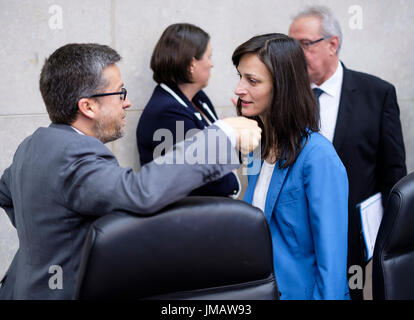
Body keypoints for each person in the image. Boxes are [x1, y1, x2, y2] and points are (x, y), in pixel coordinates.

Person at [0, 43, 261, 299]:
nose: (128, 102)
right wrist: (224, 136)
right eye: (120, 92)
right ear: (88, 107)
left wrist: (46, 236)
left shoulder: (34, 144)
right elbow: (139, 191)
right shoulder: (72, 155)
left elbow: (6, 192)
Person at [288, 5, 407, 300]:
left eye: (304, 44)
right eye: (291, 45)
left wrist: (388, 240)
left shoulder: (377, 94)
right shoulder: (285, 97)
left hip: (356, 235)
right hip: (297, 236)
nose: (294, 54)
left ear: (332, 44)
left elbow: (393, 174)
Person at [232, 33, 349, 300]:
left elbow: (332, 267)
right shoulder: (258, 148)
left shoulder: (318, 157)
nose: (239, 89)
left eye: (252, 80)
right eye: (239, 77)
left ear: (282, 86)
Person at [137, 23, 241, 197]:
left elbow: (221, 156)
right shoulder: (167, 112)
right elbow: (208, 178)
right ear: (192, 63)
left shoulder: (199, 98)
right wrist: (230, 174)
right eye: (209, 56)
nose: (212, 64)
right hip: (184, 217)